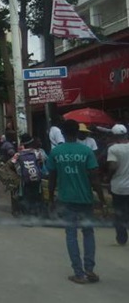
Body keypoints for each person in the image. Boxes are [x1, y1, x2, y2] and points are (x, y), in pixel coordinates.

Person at [46, 120, 107, 284]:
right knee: (88, 233)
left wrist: (50, 199)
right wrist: (101, 199)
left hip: (66, 200)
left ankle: (78, 273)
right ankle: (90, 270)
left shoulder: (56, 153)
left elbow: (51, 179)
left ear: (63, 133)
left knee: (71, 235)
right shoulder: (87, 151)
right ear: (77, 132)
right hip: (86, 199)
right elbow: (95, 179)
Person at [10, 133, 47, 225]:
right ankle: (36, 217)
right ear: (31, 143)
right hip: (36, 179)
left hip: (24, 180)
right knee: (37, 197)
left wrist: (18, 171)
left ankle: (27, 219)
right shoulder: (37, 152)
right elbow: (41, 162)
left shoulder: (18, 154)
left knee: (26, 198)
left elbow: (11, 163)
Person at [106, 124, 129, 245]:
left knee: (119, 212)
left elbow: (113, 166)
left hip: (118, 187)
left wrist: (108, 178)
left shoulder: (113, 149)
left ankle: (122, 238)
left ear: (114, 136)